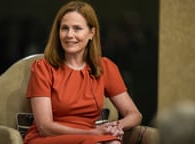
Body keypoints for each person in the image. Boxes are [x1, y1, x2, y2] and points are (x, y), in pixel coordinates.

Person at [24, 1, 142, 144]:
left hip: (90, 136)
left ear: (91, 33)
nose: (69, 35)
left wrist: (115, 127)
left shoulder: (104, 67)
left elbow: (134, 114)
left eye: (77, 29)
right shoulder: (43, 68)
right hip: (49, 138)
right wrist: (93, 133)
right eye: (64, 28)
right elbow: (45, 127)